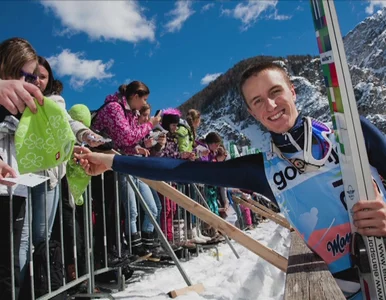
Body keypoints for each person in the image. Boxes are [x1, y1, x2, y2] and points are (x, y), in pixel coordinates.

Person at [74, 62, 386, 299]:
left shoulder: (348, 133)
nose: (271, 106)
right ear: (251, 112)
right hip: (343, 289)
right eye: (258, 101)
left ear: (292, 90)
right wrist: (111, 161)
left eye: (275, 92)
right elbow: (178, 171)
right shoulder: (262, 170)